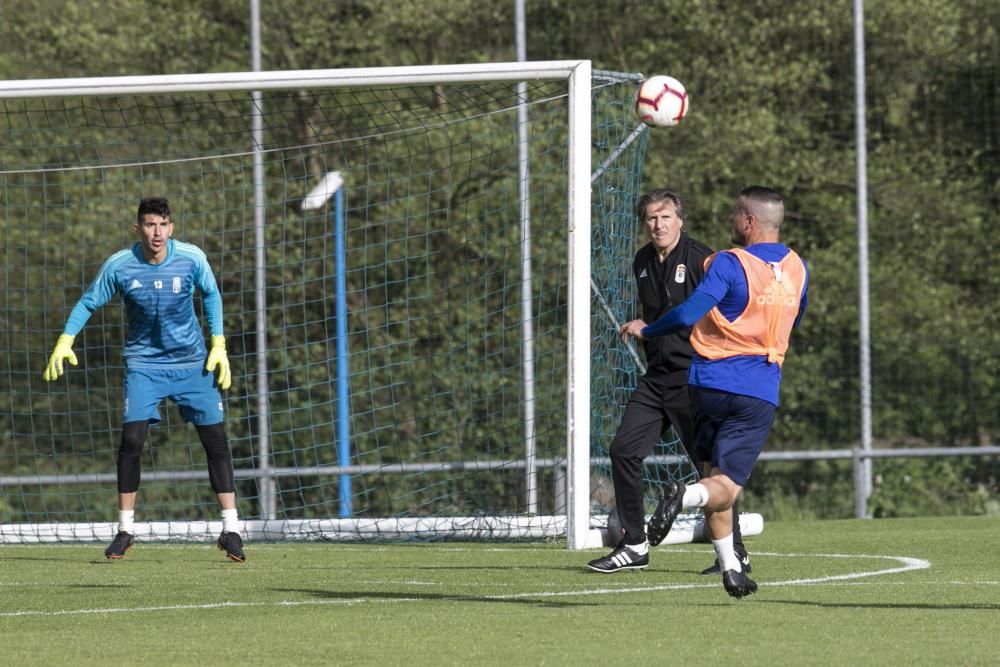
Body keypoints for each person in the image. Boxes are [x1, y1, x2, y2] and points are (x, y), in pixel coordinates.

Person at [42, 196, 246, 563]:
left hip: (192, 365)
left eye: (163, 225)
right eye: (150, 225)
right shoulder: (120, 266)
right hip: (144, 367)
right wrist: (65, 339)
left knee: (215, 442)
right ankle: (125, 530)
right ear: (137, 229)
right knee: (131, 441)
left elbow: (212, 294)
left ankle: (231, 529)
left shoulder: (192, 258)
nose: (157, 232)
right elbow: (89, 301)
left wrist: (219, 346)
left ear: (172, 228)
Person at [633, 185, 809, 598]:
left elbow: (690, 311)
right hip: (755, 388)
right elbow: (792, 321)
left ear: (749, 222)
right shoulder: (799, 268)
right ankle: (684, 494)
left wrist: (649, 328)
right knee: (725, 486)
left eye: (735, 214)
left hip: (706, 383)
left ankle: (731, 568)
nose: (731, 219)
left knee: (714, 476)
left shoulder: (729, 263)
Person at [587, 188, 749, 574]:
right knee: (624, 450)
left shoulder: (702, 259)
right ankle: (634, 544)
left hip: (695, 376)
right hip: (656, 378)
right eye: (651, 219)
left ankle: (736, 552)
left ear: (681, 220)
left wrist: (653, 330)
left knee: (710, 469)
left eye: (665, 217)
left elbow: (707, 314)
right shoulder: (642, 260)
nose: (658, 225)